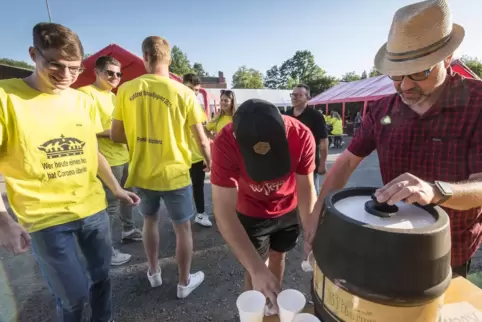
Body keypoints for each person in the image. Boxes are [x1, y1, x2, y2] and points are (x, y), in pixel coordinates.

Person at [307, 0, 482, 278]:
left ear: (448, 59)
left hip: (450, 250)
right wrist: (318, 214)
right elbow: (347, 162)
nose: (406, 85)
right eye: (396, 75)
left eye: (420, 71)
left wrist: (436, 191)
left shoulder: (477, 103)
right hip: (391, 242)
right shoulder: (382, 110)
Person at [0, 22, 139, 322]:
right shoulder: (6, 98)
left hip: (92, 210)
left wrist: (115, 188)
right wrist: (3, 220)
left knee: (102, 280)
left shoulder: (80, 100)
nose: (66, 76)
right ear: (33, 54)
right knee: (74, 297)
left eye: (74, 69)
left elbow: (93, 151)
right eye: (55, 65)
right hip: (45, 219)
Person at [111, 36, 211, 298]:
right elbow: (200, 138)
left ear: (145, 56)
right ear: (169, 59)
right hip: (175, 173)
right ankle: (183, 282)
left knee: (149, 222)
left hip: (142, 171)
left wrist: (140, 134)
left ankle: (154, 272)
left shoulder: (125, 89)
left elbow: (116, 135)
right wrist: (210, 160)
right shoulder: (184, 92)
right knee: (183, 229)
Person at [211, 99, 317, 313]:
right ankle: (256, 309)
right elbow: (223, 212)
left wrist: (312, 232)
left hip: (287, 208)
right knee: (255, 266)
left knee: (279, 255)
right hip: (251, 210)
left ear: (284, 134)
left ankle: (271, 306)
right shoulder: (225, 142)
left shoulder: (301, 135)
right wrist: (258, 269)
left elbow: (306, 190)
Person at [79, 56, 143, 266]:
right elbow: (92, 131)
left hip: (124, 156)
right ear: (97, 72)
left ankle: (128, 229)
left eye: (118, 74)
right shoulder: (86, 95)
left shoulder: (114, 97)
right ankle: (108, 250)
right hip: (106, 160)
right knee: (111, 206)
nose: (115, 77)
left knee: (128, 196)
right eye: (110, 73)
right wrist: (125, 134)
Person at [286, 84, 328, 194]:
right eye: (293, 95)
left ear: (307, 98)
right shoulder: (286, 115)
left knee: (310, 192)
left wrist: (322, 163)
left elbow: (323, 141)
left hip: (309, 162)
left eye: (299, 95)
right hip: (289, 164)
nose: (295, 97)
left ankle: (314, 211)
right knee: (291, 193)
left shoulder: (315, 116)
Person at [183, 73, 212, 227]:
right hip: (180, 157)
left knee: (198, 187)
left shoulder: (197, 108)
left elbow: (203, 135)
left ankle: (200, 214)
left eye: (196, 90)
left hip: (196, 156)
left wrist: (208, 157)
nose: (193, 93)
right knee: (181, 190)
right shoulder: (175, 106)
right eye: (190, 88)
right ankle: (184, 217)